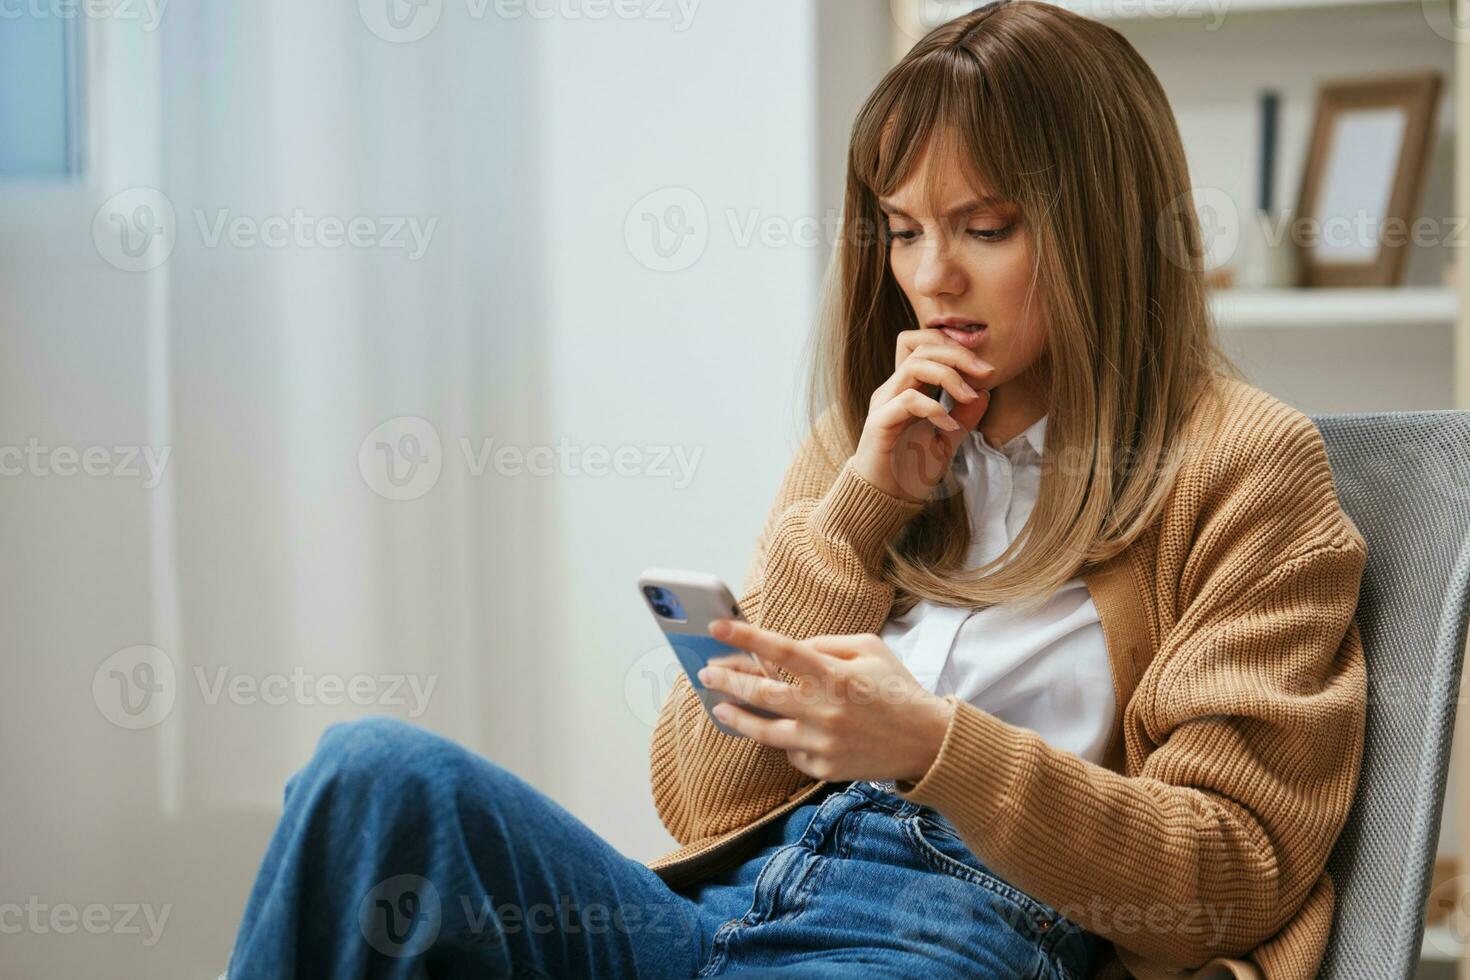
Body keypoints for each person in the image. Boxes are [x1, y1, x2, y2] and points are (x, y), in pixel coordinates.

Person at [225, 2, 1368, 977]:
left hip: (959, 934)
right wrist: (857, 514)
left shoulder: (1244, 464)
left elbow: (1230, 870)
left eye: (985, 227)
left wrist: (933, 744)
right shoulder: (866, 443)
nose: (930, 277)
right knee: (373, 777)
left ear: (1103, 228)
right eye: (905, 229)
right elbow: (703, 799)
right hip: (740, 909)